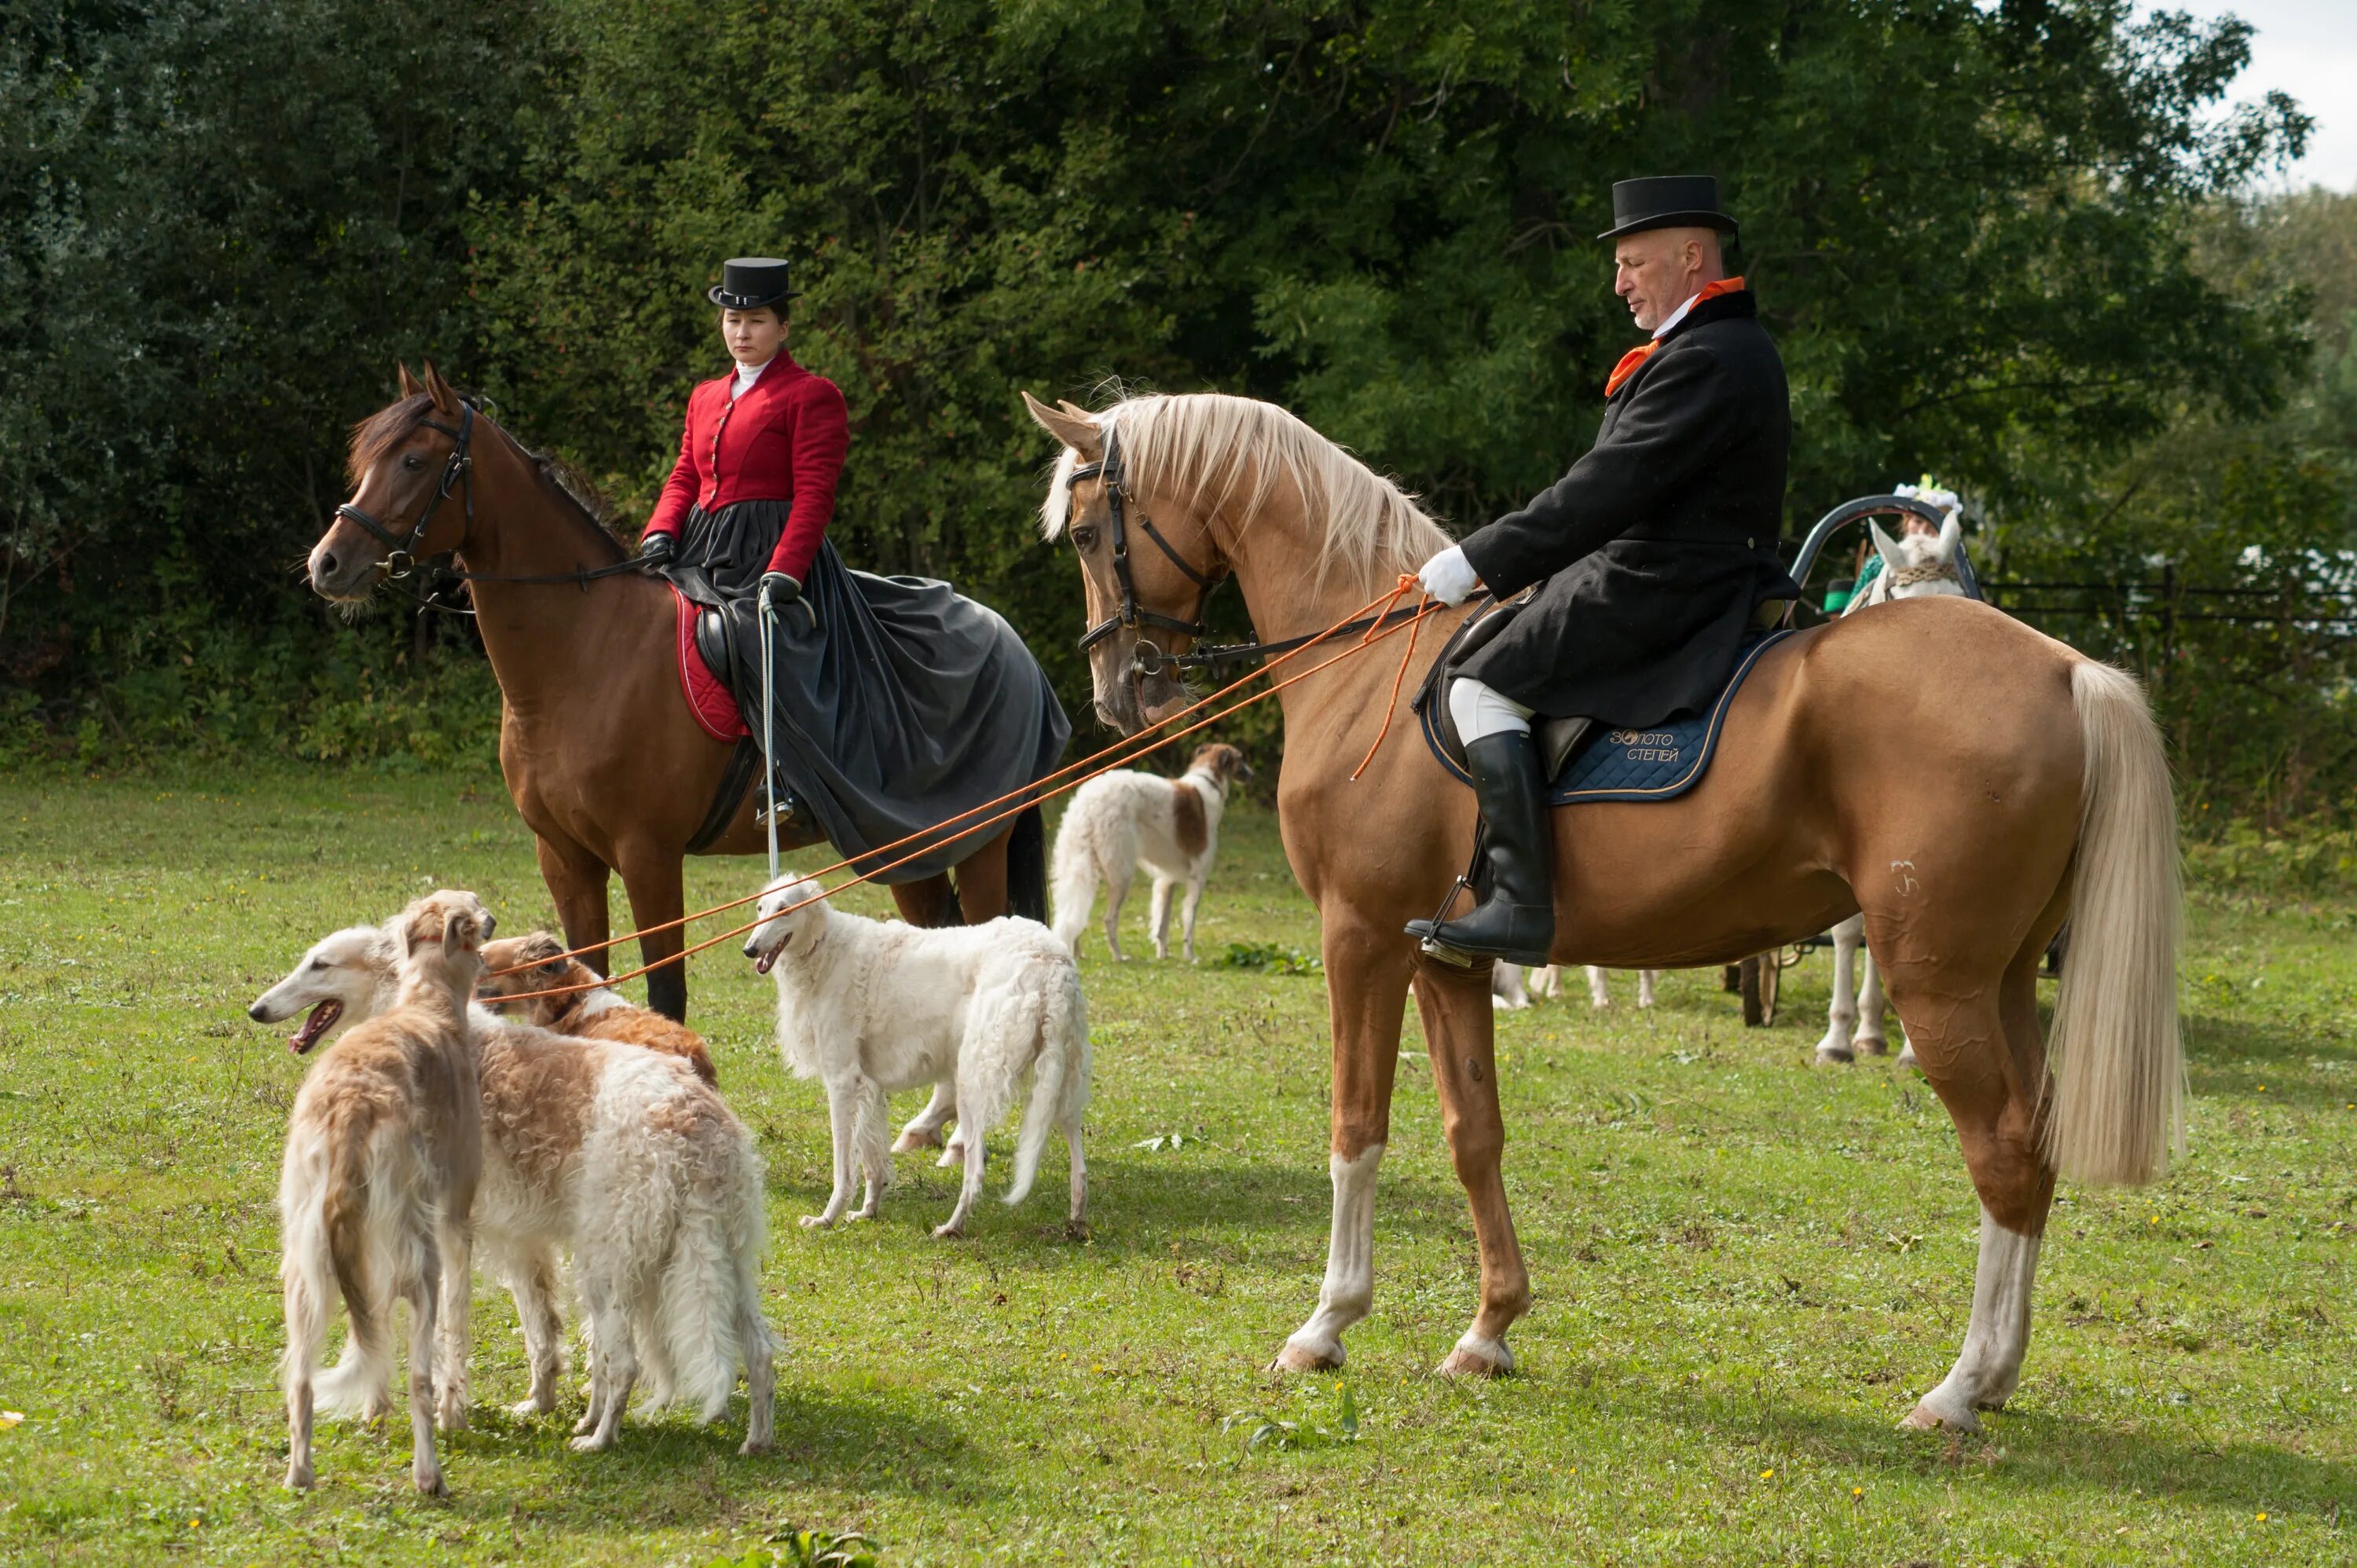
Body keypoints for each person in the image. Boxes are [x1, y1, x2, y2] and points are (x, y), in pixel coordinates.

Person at [1406, 177, 1798, 965]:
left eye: (1633, 263)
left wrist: (1480, 558)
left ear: (1691, 257)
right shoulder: (1706, 348)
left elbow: (1607, 488)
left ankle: (1520, 902)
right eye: (1619, 266)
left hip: (1665, 583)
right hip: (1657, 567)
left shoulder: (1713, 356)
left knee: (1479, 682)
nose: (1619, 283)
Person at [640, 257, 1069, 882]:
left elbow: (814, 495)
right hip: (703, 551)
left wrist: (785, 571)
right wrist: (659, 531)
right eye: (733, 320)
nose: (740, 333)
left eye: (755, 320)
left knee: (749, 639)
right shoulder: (705, 396)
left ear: (783, 327)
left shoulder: (812, 396)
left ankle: (784, 784)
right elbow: (686, 473)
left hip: (777, 560)